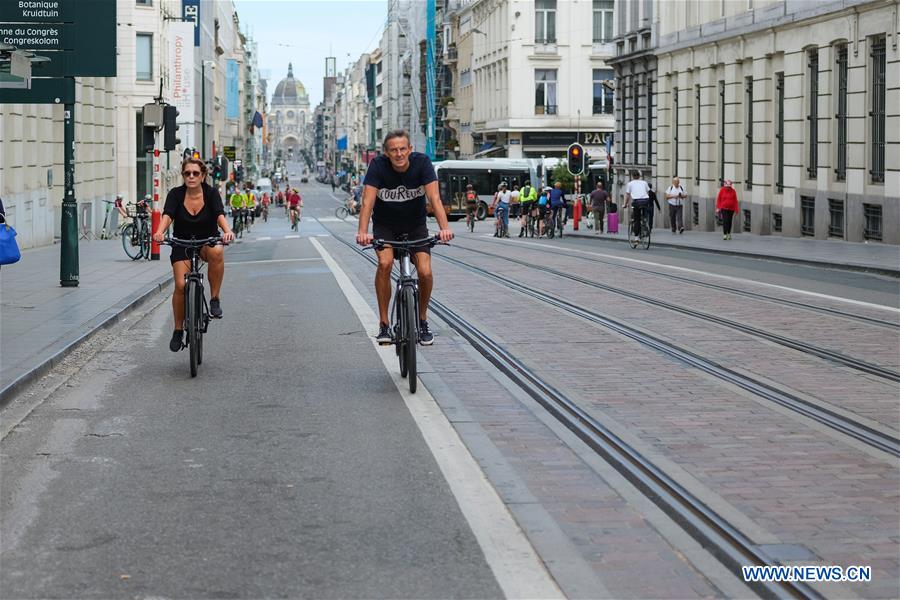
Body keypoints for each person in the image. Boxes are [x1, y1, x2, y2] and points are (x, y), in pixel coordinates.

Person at [356, 129, 454, 345]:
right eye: (393, 150)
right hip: (385, 226)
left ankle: (422, 320)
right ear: (386, 153)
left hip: (415, 225)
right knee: (384, 263)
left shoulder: (422, 163)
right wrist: (363, 232)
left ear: (410, 149)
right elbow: (367, 202)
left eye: (402, 149)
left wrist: (444, 228)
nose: (399, 154)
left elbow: (434, 198)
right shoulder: (378, 166)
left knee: (425, 272)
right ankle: (384, 324)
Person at [153, 158, 235, 352]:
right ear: (183, 176)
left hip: (207, 240)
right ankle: (178, 330)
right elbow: (168, 215)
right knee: (181, 285)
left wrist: (227, 231)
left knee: (217, 251)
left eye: (195, 173)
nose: (191, 176)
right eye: (187, 173)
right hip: (182, 242)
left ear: (203, 176)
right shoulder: (175, 194)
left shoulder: (211, 193)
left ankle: (214, 299)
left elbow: (219, 214)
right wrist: (159, 232)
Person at [624, 170, 651, 238]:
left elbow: (627, 196)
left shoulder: (630, 184)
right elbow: (648, 192)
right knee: (644, 213)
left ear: (632, 176)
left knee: (637, 219)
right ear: (639, 176)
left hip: (637, 202)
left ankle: (636, 237)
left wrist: (625, 204)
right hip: (645, 201)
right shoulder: (644, 182)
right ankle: (645, 223)